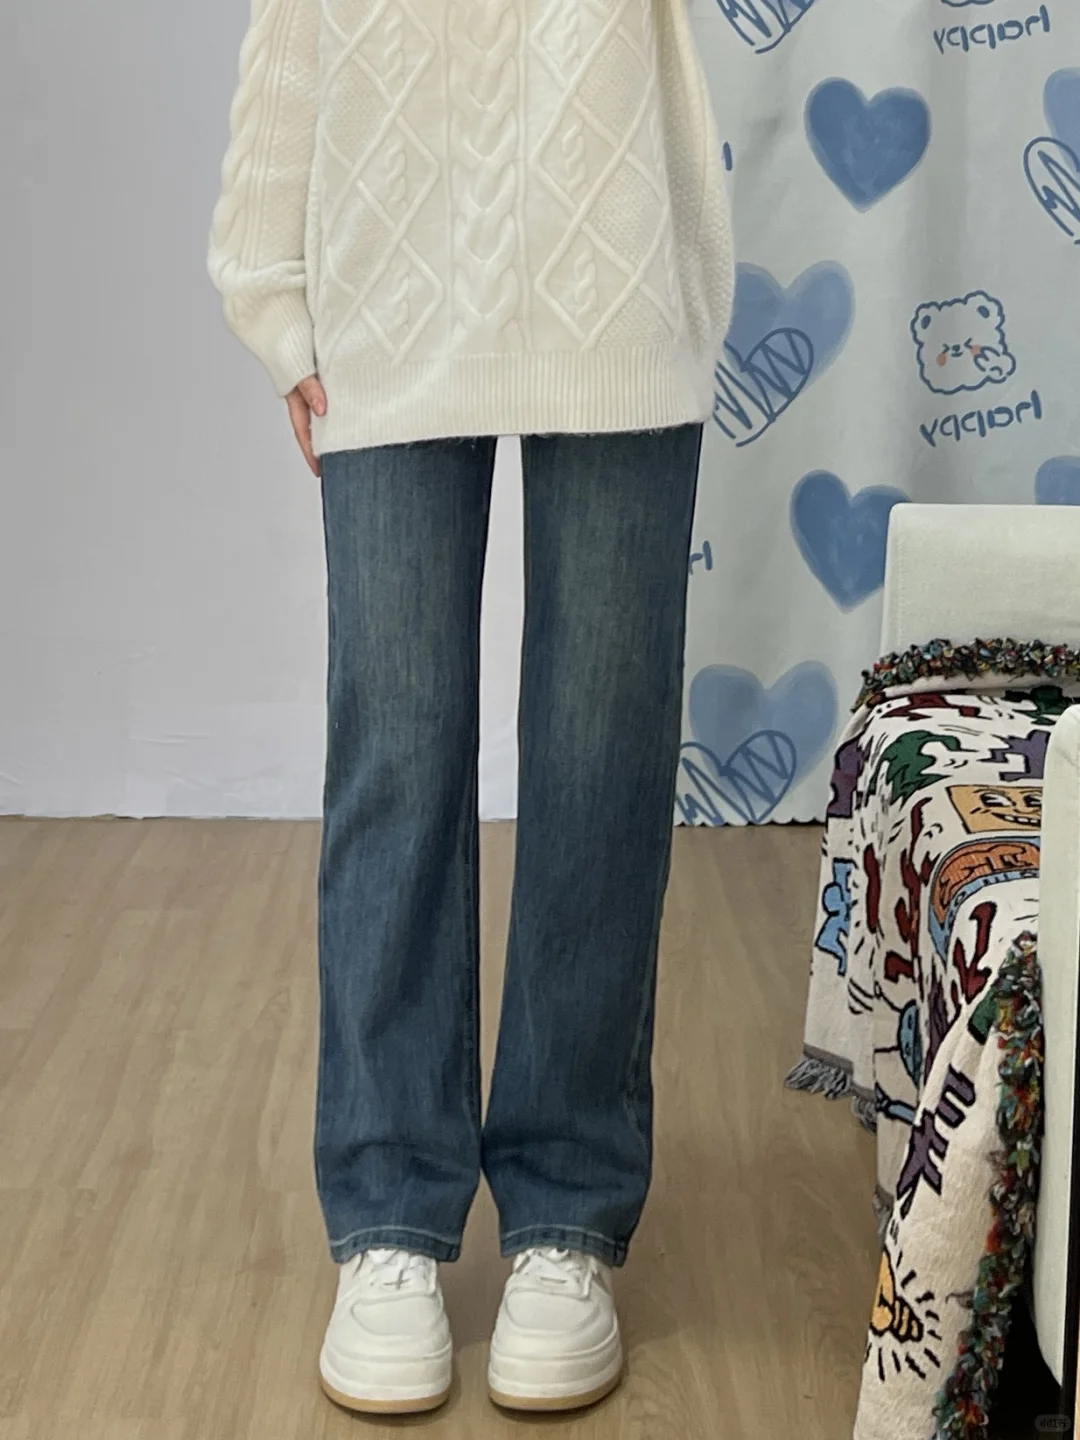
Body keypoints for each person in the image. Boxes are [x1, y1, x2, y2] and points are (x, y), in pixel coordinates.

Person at [206, 0, 733, 1417]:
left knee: (601, 757)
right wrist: (269, 286)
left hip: (618, 263)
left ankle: (567, 1211)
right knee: (398, 748)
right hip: (385, 279)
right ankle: (389, 1209)